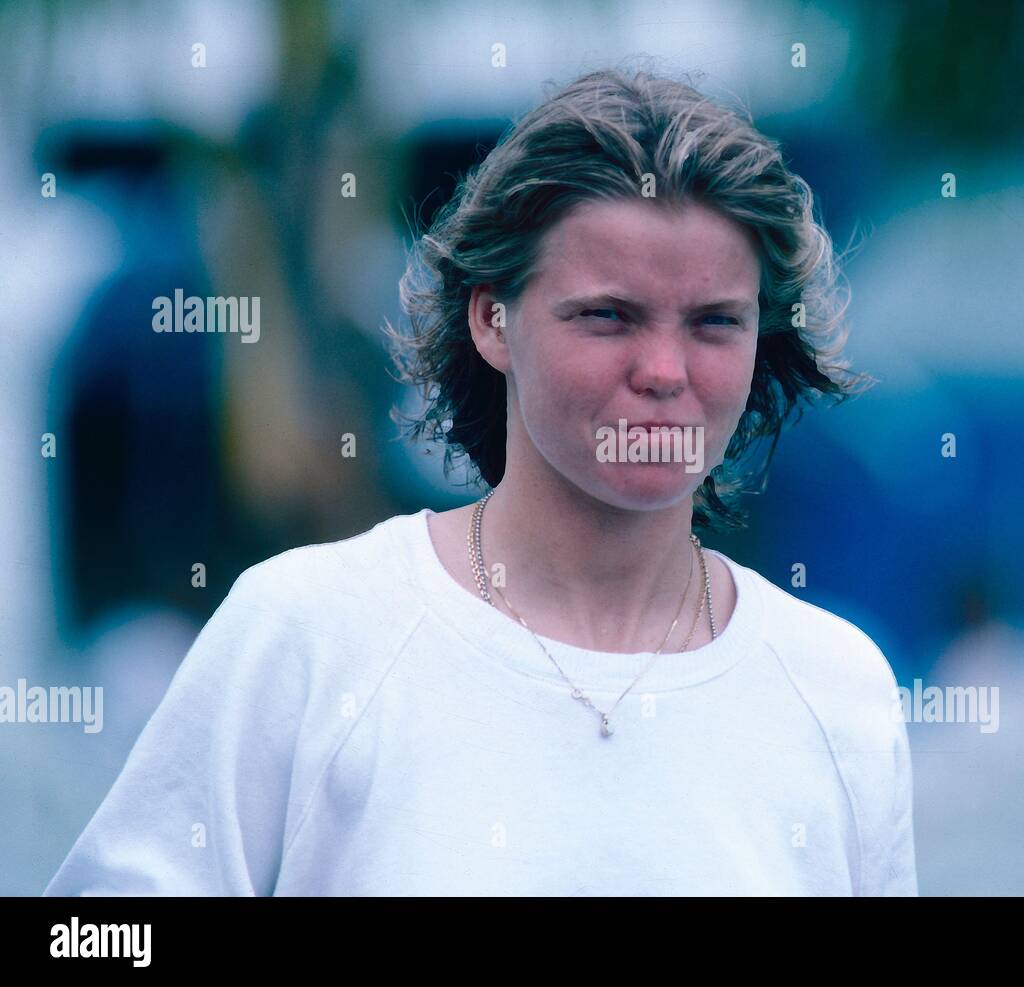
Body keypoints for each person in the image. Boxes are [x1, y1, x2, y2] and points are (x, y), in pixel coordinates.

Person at [44, 68, 917, 896]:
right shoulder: (310, 634)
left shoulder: (834, 686)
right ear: (493, 322)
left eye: (715, 322)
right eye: (608, 316)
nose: (663, 369)